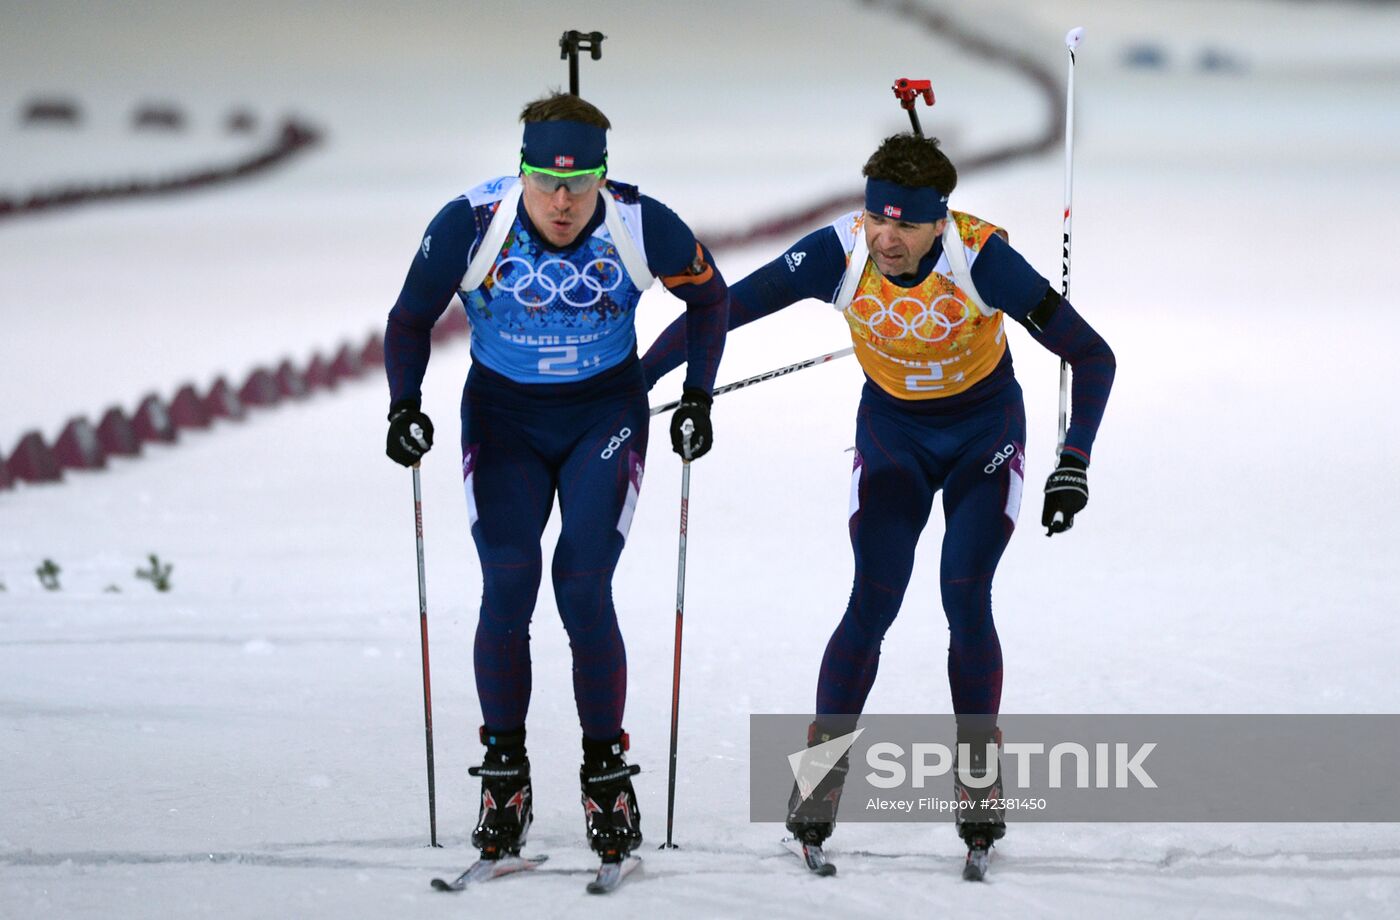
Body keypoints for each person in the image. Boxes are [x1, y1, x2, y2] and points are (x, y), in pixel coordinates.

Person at [643, 133, 1114, 865]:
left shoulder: (982, 259)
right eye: (875, 220)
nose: (885, 238)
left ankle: (979, 786)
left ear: (939, 223)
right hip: (894, 438)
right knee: (873, 599)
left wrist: (1074, 460)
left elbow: (1093, 353)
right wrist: (638, 386)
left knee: (964, 593)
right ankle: (819, 787)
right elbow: (721, 311)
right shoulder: (839, 251)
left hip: (982, 437)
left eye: (904, 224)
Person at [382, 91, 729, 867]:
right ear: (522, 173)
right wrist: (402, 406)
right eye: (545, 181)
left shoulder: (643, 223)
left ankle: (606, 773)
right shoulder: (469, 224)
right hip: (502, 421)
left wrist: (696, 395)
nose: (563, 201)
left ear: (605, 175)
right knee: (507, 581)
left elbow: (712, 302)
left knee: (581, 583)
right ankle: (504, 774)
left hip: (601, 418)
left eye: (580, 183)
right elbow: (408, 320)